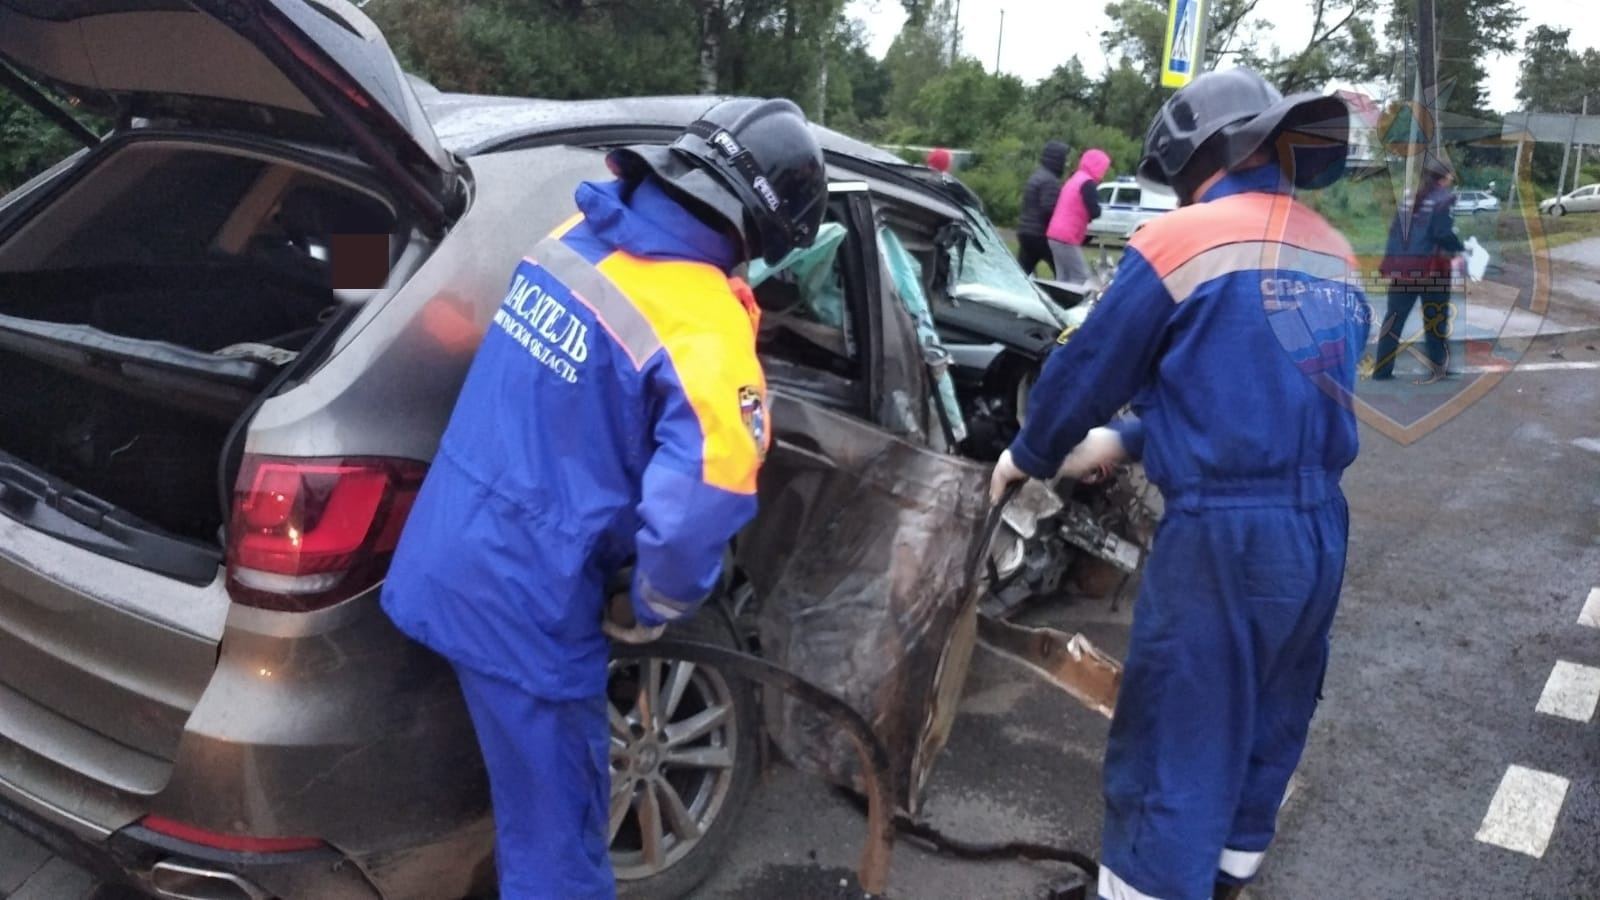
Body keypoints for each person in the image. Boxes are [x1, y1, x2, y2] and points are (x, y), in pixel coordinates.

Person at [380, 98, 827, 899]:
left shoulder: (572, 238)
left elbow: (570, 399)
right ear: (757, 232)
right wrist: (650, 607)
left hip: (447, 553)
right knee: (562, 850)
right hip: (530, 608)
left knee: (527, 811)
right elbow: (697, 516)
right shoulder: (706, 336)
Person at [989, 67, 1368, 900]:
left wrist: (1028, 455)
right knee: (1272, 711)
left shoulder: (1182, 241)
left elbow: (1084, 367)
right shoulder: (1333, 253)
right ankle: (1231, 879)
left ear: (1199, 158)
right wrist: (1127, 440)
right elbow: (1264, 396)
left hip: (1223, 543)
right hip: (1319, 534)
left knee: (1176, 736)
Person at [1373, 156, 1466, 384]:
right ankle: (1438, 368)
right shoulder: (1445, 199)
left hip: (1403, 269)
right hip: (1431, 270)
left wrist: (1390, 263)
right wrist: (1460, 248)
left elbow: (1396, 231)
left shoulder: (1408, 198)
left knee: (1394, 319)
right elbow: (1441, 233)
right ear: (1447, 176)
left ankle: (1382, 370)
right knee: (1435, 319)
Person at [1045, 147, 1112, 285]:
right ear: (1098, 166)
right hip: (1066, 237)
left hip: (1054, 234)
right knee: (1080, 277)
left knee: (1063, 277)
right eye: (1104, 168)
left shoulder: (1075, 178)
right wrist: (1096, 211)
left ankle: (1057, 304)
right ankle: (1072, 304)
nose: (1104, 173)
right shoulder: (1088, 183)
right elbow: (1094, 211)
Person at [1017, 139, 1070, 277]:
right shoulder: (1050, 181)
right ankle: (1064, 295)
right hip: (1041, 234)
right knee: (1062, 270)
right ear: (1057, 159)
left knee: (1022, 271)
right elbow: (1048, 208)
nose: (1066, 163)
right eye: (1064, 159)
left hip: (1026, 231)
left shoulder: (1036, 176)